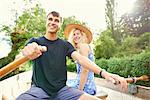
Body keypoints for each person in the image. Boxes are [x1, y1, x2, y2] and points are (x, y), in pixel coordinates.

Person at [16, 11, 127, 100]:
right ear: (46, 22)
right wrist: (27, 52)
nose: (53, 22)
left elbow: (81, 59)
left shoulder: (65, 45)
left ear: (60, 25)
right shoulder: (35, 41)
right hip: (39, 90)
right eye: (50, 19)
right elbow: (23, 53)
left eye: (56, 20)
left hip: (62, 91)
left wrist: (104, 73)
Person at [66, 24, 96, 95]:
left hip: (85, 86)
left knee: (60, 90)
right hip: (88, 84)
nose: (76, 36)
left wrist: (80, 91)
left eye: (78, 34)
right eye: (74, 34)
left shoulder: (83, 47)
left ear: (82, 35)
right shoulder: (81, 49)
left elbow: (85, 70)